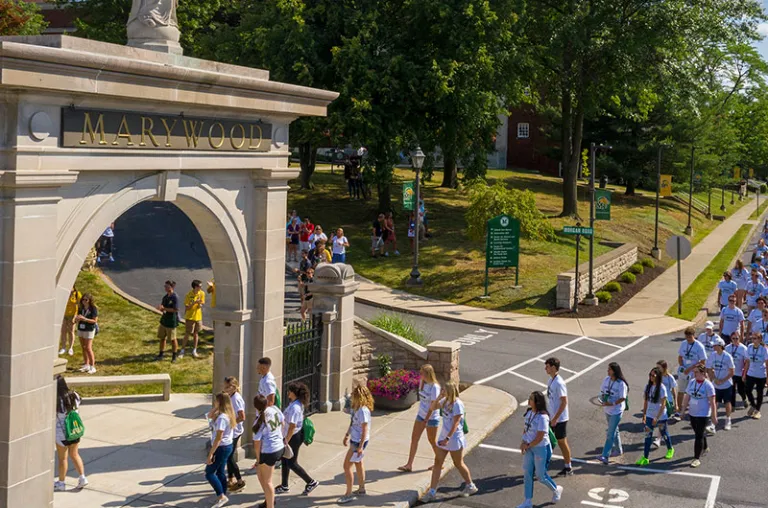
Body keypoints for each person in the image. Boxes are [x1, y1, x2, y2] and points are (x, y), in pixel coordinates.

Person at [422, 382, 478, 503]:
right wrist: (439, 397)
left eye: (444, 390)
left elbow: (456, 423)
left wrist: (447, 438)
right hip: (444, 437)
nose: (442, 391)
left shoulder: (458, 404)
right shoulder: (445, 401)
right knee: (437, 462)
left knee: (458, 463)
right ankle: (432, 492)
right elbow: (433, 407)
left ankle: (470, 485)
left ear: (450, 391)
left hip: (454, 438)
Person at [513, 391, 563, 508]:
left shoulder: (543, 417)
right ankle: (527, 501)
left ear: (537, 402)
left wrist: (528, 445)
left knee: (540, 476)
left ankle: (556, 489)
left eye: (531, 399)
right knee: (527, 473)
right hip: (530, 446)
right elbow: (526, 429)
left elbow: (540, 436)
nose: (529, 400)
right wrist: (523, 442)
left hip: (541, 448)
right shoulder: (529, 413)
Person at [275, 382, 319, 495]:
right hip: (290, 436)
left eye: (289, 391)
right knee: (285, 460)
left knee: (292, 463)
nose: (287, 392)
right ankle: (284, 485)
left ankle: (311, 482)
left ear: (294, 393)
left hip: (293, 437)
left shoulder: (295, 407)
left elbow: (292, 426)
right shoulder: (295, 403)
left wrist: (286, 440)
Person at [398, 364, 441, 473]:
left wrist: (426, 419)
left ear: (427, 374)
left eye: (422, 373)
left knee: (432, 441)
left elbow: (433, 405)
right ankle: (409, 465)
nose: (420, 375)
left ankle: (440, 462)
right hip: (421, 415)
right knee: (414, 439)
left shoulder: (434, 387)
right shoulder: (422, 383)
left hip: (431, 418)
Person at [338, 386, 374, 504]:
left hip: (358, 441)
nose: (352, 396)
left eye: (354, 395)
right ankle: (361, 488)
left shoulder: (363, 410)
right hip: (355, 439)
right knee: (358, 464)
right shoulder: (355, 408)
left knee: (346, 466)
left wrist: (360, 447)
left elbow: (365, 430)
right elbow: (353, 422)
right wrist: (347, 435)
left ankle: (348, 494)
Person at [54, 376, 88, 492]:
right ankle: (82, 477)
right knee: (74, 454)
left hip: (61, 434)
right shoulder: (74, 395)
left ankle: (61, 482)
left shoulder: (55, 400)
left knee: (62, 459)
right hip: (74, 430)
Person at [636, 367, 674, 466]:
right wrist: (644, 415)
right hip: (649, 415)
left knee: (664, 433)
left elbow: (663, 404)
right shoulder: (647, 387)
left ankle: (670, 448)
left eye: (653, 375)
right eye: (650, 375)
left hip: (661, 416)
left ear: (658, 377)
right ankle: (645, 457)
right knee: (648, 436)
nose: (651, 377)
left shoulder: (662, 388)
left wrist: (657, 418)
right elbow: (645, 402)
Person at [252, 394, 284, 508]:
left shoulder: (258, 422)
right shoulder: (274, 409)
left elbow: (257, 443)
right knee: (260, 474)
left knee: (267, 481)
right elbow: (283, 422)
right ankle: (269, 499)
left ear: (256, 407)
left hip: (269, 451)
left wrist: (258, 459)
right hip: (279, 447)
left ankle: (270, 505)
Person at [682, 365, 717, 467]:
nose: (694, 374)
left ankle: (696, 458)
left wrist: (714, 415)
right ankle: (705, 446)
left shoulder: (708, 385)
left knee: (698, 436)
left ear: (702, 373)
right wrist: (683, 410)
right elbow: (687, 396)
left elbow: (712, 402)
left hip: (703, 414)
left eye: (696, 372)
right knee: (698, 432)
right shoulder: (692, 382)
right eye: (694, 372)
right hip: (693, 412)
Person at [205, 392, 236, 508]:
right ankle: (222, 495)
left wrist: (211, 454)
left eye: (216, 401)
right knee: (220, 472)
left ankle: (221, 496)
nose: (214, 403)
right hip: (226, 446)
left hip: (221, 448)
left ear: (220, 402)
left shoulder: (222, 418)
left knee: (209, 473)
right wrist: (216, 408)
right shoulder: (226, 414)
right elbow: (209, 416)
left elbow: (218, 438)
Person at [544, 358, 573, 476]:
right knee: (548, 440)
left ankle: (568, 467)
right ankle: (543, 464)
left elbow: (564, 402)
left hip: (559, 419)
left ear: (553, 367)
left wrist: (555, 418)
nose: (545, 368)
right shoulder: (551, 381)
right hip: (552, 417)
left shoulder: (559, 383)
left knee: (561, 442)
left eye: (547, 366)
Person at [596, 362, 628, 464]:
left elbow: (623, 397)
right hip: (608, 410)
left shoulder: (621, 384)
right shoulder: (606, 380)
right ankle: (618, 450)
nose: (607, 371)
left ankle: (605, 455)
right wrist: (602, 400)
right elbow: (602, 392)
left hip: (616, 411)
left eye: (609, 369)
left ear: (614, 371)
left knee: (610, 433)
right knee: (615, 430)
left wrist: (612, 403)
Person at [675, 327, 707, 420]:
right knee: (681, 390)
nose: (688, 339)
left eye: (690, 337)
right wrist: (682, 367)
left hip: (693, 372)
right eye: (687, 337)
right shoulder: (684, 344)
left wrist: (691, 368)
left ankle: (693, 411)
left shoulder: (699, 346)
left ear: (693, 336)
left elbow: (703, 361)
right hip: (684, 371)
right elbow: (680, 356)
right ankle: (679, 411)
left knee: (692, 393)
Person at [705, 337, 734, 430]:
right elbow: (708, 368)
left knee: (727, 402)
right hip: (716, 384)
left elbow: (732, 371)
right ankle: (713, 422)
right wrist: (713, 378)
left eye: (715, 345)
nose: (713, 346)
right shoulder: (712, 355)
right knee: (715, 403)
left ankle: (728, 420)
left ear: (721, 346)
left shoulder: (727, 357)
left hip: (727, 384)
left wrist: (722, 380)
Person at [224, 377, 246, 493]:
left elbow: (242, 416)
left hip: (234, 431)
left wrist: (231, 424)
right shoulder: (230, 396)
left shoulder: (236, 399)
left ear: (233, 387)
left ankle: (240, 481)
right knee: (229, 456)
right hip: (232, 431)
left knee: (229, 456)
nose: (225, 389)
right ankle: (231, 479)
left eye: (227, 387)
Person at [743, 332, 768, 419]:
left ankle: (757, 410)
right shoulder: (749, 347)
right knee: (747, 390)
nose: (753, 340)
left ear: (760, 339)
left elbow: (767, 364)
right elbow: (747, 362)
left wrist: (767, 378)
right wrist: (744, 374)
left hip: (761, 374)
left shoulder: (764, 349)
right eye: (752, 338)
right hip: (751, 373)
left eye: (755, 338)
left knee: (759, 392)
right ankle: (753, 405)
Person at [653, 360, 677, 448]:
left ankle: (658, 439)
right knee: (662, 421)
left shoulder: (669, 377)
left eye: (659, 367)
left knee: (662, 420)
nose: (657, 369)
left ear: (664, 368)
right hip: (658, 401)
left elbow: (674, 390)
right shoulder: (656, 376)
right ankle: (663, 436)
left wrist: (676, 403)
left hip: (667, 401)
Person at [181, 280, 205, 359]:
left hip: (198, 317)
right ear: (195, 287)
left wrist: (200, 304)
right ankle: (182, 350)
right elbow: (187, 307)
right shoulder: (188, 295)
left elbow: (202, 303)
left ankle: (194, 350)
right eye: (199, 286)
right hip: (190, 317)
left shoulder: (202, 293)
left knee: (196, 334)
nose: (201, 288)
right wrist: (194, 302)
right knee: (187, 334)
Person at [156, 280, 179, 362]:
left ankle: (174, 356)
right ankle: (161, 353)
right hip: (164, 321)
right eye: (165, 286)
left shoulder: (174, 297)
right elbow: (163, 308)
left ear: (172, 287)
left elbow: (175, 309)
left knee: (173, 339)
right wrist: (160, 309)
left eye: (167, 286)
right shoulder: (165, 297)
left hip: (171, 321)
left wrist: (164, 308)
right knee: (162, 338)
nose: (165, 288)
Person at [75, 293, 98, 374]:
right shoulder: (80, 308)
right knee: (83, 347)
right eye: (83, 299)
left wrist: (84, 319)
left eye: (86, 300)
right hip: (81, 329)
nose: (84, 301)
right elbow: (78, 316)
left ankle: (92, 366)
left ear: (89, 301)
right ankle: (86, 364)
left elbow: (94, 321)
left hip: (89, 329)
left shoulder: (93, 308)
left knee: (88, 348)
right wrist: (77, 319)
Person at [726, 332, 749, 410]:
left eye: (737, 338)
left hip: (739, 372)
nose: (735, 340)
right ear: (731, 339)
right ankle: (732, 406)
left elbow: (747, 362)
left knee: (740, 390)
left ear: (739, 338)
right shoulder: (727, 348)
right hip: (730, 373)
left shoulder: (743, 348)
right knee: (731, 390)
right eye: (733, 338)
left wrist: (744, 373)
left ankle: (744, 399)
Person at [59, 287, 81, 357]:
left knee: (71, 331)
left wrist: (75, 316)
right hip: (64, 314)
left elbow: (79, 305)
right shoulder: (64, 293)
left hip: (72, 315)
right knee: (63, 331)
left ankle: (71, 348)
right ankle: (63, 347)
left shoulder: (77, 294)